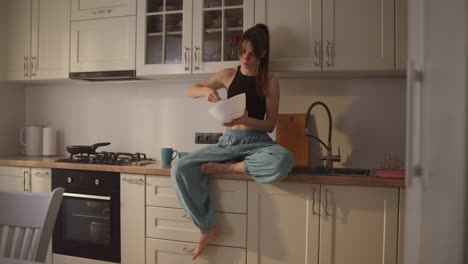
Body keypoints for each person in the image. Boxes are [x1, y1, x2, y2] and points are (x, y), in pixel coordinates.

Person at [170, 23, 294, 260]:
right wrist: (205, 92)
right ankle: (206, 228)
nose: (246, 58)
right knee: (179, 167)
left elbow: (271, 124)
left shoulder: (270, 81)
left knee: (284, 159)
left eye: (252, 54)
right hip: (228, 143)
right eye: (243, 51)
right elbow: (190, 89)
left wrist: (249, 119)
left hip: (258, 143)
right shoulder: (228, 74)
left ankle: (230, 168)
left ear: (263, 54)